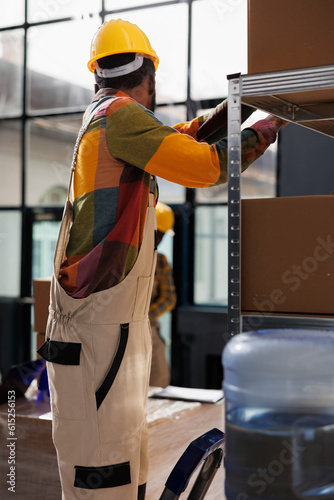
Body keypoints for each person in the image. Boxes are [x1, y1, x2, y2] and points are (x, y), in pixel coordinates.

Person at [37, 18, 287, 500]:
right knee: (104, 470)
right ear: (148, 71)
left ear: (99, 71)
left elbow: (181, 140)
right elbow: (206, 165)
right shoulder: (122, 116)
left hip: (107, 327)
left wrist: (243, 103)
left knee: (125, 460)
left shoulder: (114, 118)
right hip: (99, 330)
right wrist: (265, 128)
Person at [149, 202, 177, 388]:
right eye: (156, 233)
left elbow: (169, 299)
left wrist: (142, 317)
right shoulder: (124, 258)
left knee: (158, 382)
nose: (158, 239)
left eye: (162, 235)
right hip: (117, 328)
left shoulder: (160, 261)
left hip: (148, 328)